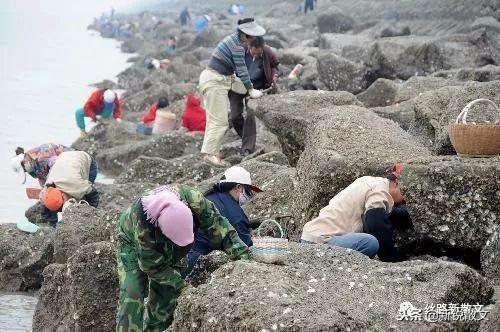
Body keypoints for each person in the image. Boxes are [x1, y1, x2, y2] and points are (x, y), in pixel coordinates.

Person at [115, 184, 250, 331]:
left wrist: (242, 254)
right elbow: (153, 268)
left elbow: (218, 225)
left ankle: (155, 329)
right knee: (132, 293)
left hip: (175, 238)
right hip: (131, 241)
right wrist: (183, 288)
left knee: (165, 295)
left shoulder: (195, 201)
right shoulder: (144, 228)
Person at [300, 162, 410, 262]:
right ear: (396, 184)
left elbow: (385, 214)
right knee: (370, 243)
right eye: (405, 196)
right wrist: (390, 256)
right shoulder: (380, 191)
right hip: (321, 241)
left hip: (311, 236)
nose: (404, 201)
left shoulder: (371, 181)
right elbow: (375, 221)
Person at [199, 18, 266, 166]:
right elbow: (241, 70)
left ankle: (212, 152)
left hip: (218, 78)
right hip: (214, 81)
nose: (251, 40)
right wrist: (250, 89)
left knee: (214, 120)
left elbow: (235, 75)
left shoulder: (233, 39)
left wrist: (251, 90)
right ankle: (210, 154)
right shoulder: (237, 46)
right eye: (250, 36)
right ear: (244, 35)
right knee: (220, 122)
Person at [185, 166, 262, 275]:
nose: (249, 196)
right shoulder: (235, 214)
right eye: (248, 191)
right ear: (238, 187)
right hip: (196, 261)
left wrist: (249, 224)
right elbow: (246, 246)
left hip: (184, 253)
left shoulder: (210, 195)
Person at [229, 36, 279, 155]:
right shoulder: (239, 50)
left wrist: (274, 76)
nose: (256, 56)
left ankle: (247, 148)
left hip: (256, 87)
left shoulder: (267, 51)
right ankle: (247, 138)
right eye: (254, 53)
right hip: (238, 86)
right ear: (249, 47)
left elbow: (276, 66)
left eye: (259, 53)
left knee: (250, 115)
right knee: (235, 117)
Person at [39, 151, 99, 225]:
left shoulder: (77, 185)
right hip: (64, 157)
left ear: (63, 195)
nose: (61, 210)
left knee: (82, 197)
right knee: (59, 202)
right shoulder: (46, 190)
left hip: (85, 160)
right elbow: (47, 210)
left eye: (62, 206)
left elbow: (94, 195)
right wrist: (53, 225)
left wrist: (90, 213)